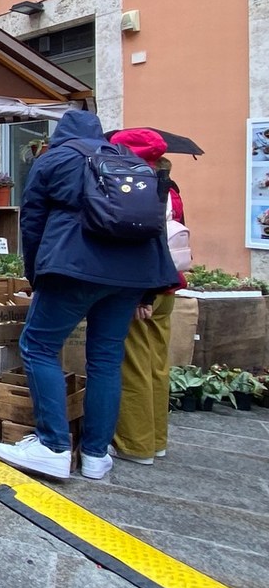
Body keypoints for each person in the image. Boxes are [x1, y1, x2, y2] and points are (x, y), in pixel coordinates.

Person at [0, 111, 178, 481]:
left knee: (39, 347)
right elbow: (152, 225)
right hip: (132, 275)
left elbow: (31, 223)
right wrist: (148, 289)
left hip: (74, 268)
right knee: (106, 359)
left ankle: (54, 446)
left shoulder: (54, 159)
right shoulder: (127, 160)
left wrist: (36, 275)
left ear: (61, 134)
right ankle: (95, 455)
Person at [110, 131, 183, 464]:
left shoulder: (138, 187)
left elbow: (144, 243)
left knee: (135, 364)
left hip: (145, 286)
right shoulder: (171, 186)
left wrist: (143, 295)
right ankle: (157, 439)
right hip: (169, 284)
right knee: (156, 364)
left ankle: (135, 444)